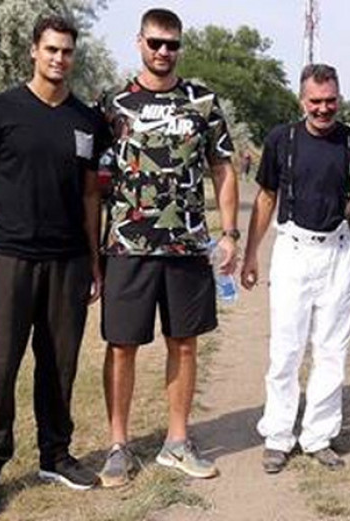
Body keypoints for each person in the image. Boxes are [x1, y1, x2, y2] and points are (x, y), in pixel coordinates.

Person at [0, 15, 106, 518]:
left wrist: (94, 261)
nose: (59, 59)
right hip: (7, 258)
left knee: (59, 366)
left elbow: (89, 195)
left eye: (67, 51)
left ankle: (56, 454)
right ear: (34, 52)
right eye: (51, 49)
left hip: (68, 262)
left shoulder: (86, 120)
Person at [97, 8, 239, 486]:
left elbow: (223, 168)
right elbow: (92, 182)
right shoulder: (112, 104)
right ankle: (118, 445)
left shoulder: (202, 102)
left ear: (180, 47)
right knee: (122, 347)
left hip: (187, 248)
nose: (163, 52)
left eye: (172, 44)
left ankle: (176, 442)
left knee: (184, 344)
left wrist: (230, 235)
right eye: (155, 43)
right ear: (139, 42)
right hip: (126, 246)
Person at [240, 63, 350, 474]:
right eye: (316, 102)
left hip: (340, 253)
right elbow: (265, 198)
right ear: (302, 100)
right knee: (286, 350)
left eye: (330, 101)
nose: (323, 109)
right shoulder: (282, 139)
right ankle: (277, 436)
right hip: (293, 250)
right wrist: (251, 253)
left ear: (339, 99)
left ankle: (318, 436)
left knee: (332, 351)